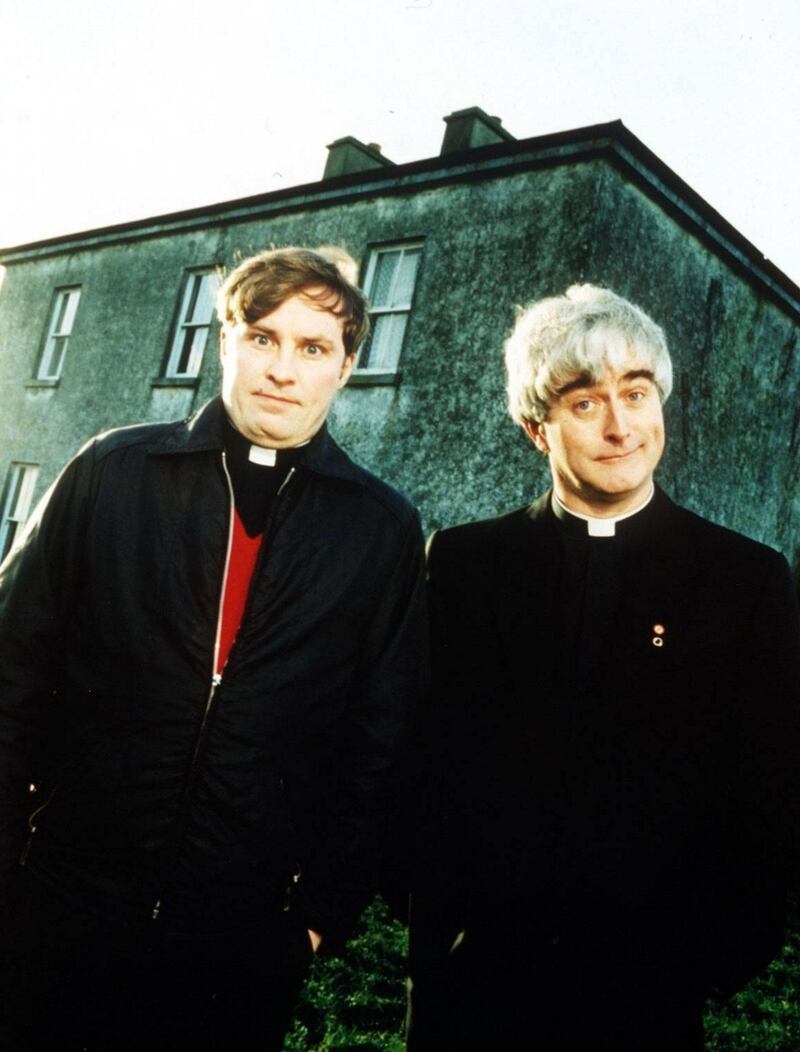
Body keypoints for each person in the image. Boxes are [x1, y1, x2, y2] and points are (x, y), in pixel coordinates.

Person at [0, 246, 427, 1051]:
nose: (282, 369)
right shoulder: (114, 472)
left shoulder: (380, 529)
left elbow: (382, 738)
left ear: (346, 366)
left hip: (238, 943)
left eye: (313, 348)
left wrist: (316, 921)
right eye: (262, 337)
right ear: (223, 341)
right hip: (62, 904)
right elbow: (10, 672)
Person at [408, 284, 800, 1051]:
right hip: (475, 978)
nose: (621, 426)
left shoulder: (744, 578)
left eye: (638, 393)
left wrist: (717, 958)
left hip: (648, 988)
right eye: (586, 403)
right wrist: (438, 922)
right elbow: (422, 755)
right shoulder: (465, 563)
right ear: (536, 429)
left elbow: (770, 783)